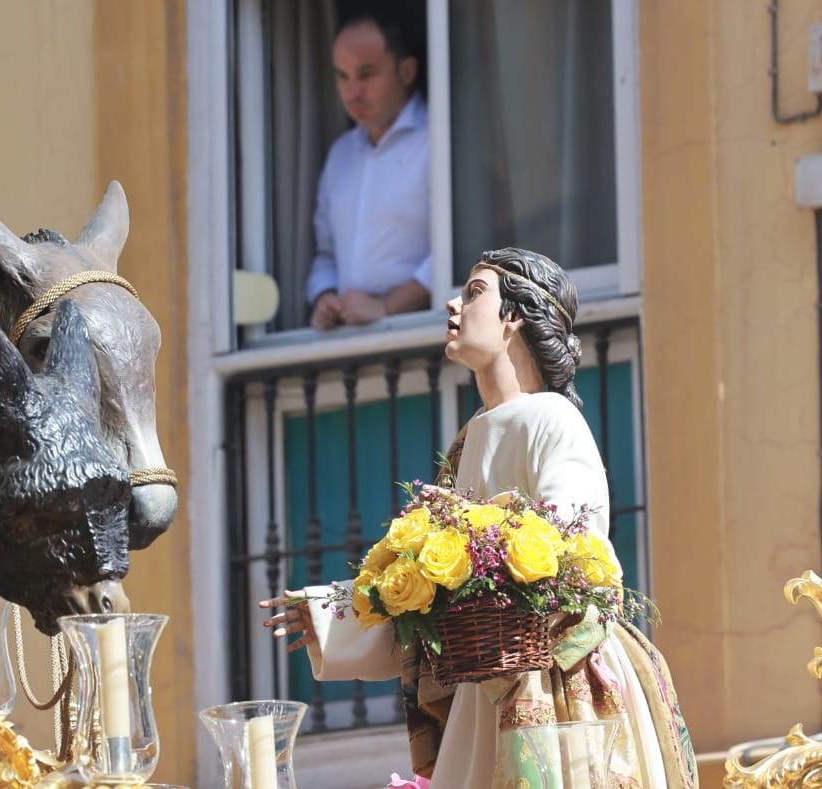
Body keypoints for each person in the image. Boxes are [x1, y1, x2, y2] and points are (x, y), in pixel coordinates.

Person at [259, 249, 695, 789]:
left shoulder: (553, 418)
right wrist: (339, 611)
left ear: (515, 316)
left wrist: (482, 563)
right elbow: (436, 583)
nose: (452, 304)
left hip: (551, 681)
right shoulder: (471, 439)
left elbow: (576, 553)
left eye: (473, 292)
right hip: (485, 677)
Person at [308, 14, 432, 330]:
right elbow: (325, 254)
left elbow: (464, 249)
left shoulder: (439, 139)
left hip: (428, 333)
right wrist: (325, 297)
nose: (352, 92)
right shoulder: (340, 154)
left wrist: (386, 307)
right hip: (352, 343)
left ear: (406, 71)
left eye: (366, 75)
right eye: (342, 76)